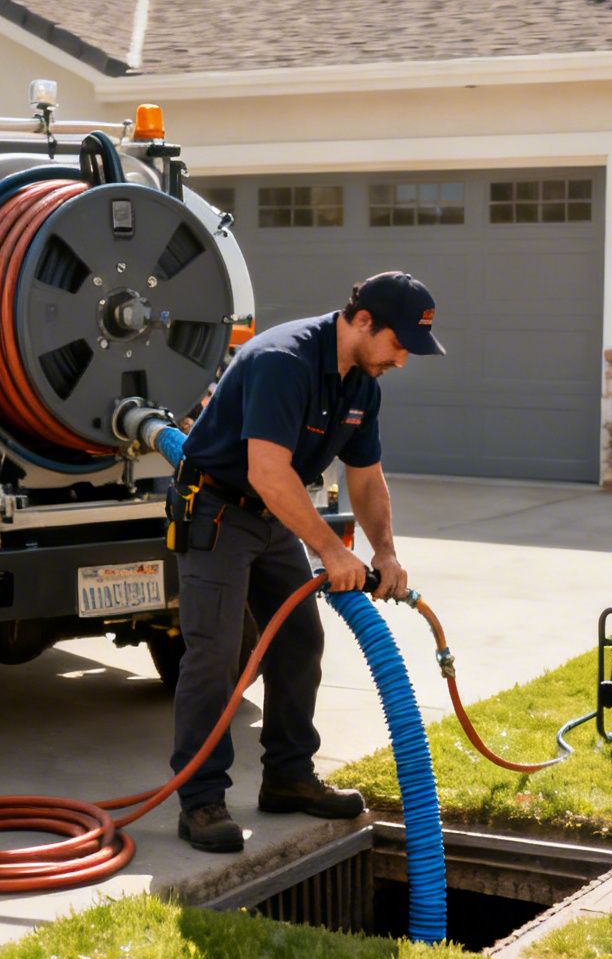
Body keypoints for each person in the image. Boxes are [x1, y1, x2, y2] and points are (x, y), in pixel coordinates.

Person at [167, 271, 444, 851]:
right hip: (218, 509)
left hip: (273, 515)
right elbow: (268, 472)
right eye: (399, 345)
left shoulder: (362, 384)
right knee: (215, 655)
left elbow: (366, 481)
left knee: (299, 643)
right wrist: (330, 548)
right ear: (364, 321)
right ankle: (200, 801)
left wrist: (385, 553)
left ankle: (288, 777)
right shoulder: (283, 361)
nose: (402, 361)